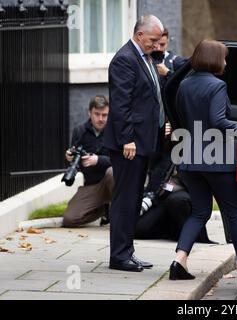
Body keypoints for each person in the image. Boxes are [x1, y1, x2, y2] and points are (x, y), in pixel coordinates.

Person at [169, 39, 237, 287]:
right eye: (224, 58)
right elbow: (217, 121)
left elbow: (185, 120)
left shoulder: (184, 85)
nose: (225, 63)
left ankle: (179, 261)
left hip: (189, 159)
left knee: (200, 212)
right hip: (217, 160)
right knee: (236, 213)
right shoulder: (217, 86)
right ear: (214, 59)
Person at [104, 14, 165, 272]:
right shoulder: (124, 60)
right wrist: (127, 138)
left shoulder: (144, 57)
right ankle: (119, 256)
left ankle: (127, 251)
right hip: (129, 145)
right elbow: (120, 105)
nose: (156, 45)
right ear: (140, 35)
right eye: (152, 40)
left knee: (134, 198)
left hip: (142, 142)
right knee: (125, 200)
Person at [135, 139, 215, 243]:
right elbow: (151, 163)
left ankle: (189, 234)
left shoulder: (196, 148)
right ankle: (168, 232)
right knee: (137, 229)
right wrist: (160, 137)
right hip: (160, 198)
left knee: (177, 200)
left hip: (184, 197)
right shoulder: (163, 148)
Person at [62, 95, 113, 228]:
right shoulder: (79, 131)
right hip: (92, 185)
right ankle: (103, 210)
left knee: (112, 172)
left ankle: (116, 211)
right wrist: (71, 158)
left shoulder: (115, 132)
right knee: (69, 219)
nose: (101, 119)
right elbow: (77, 164)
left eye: (105, 115)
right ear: (89, 112)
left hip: (113, 183)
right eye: (97, 114)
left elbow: (120, 161)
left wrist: (98, 160)